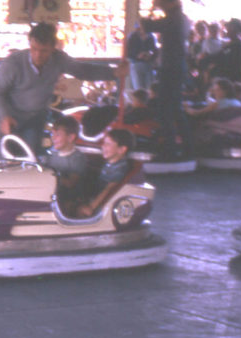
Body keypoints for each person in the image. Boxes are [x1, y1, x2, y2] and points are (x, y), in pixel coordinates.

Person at [0, 21, 126, 154]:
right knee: (7, 159)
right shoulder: (12, 63)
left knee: (30, 159)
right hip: (12, 116)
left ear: (53, 48)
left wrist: (113, 73)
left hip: (36, 116)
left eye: (44, 51)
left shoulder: (59, 59)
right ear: (29, 44)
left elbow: (82, 70)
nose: (38, 55)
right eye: (34, 49)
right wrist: (5, 115)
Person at [141, 0, 192, 158]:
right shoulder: (180, 18)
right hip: (175, 66)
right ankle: (186, 146)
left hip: (171, 68)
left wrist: (150, 10)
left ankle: (170, 148)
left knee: (165, 109)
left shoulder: (173, 18)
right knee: (175, 108)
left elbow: (146, 25)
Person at [76, 129, 135, 219]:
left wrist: (91, 207)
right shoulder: (111, 163)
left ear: (121, 149)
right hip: (96, 196)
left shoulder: (120, 168)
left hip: (101, 204)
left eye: (108, 144)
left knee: (77, 209)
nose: (103, 146)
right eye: (103, 143)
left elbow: (109, 189)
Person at [40, 115, 88, 212]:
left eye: (57, 135)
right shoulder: (51, 154)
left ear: (70, 137)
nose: (53, 138)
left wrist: (49, 176)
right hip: (51, 193)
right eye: (52, 134)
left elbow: (70, 183)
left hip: (69, 198)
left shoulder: (78, 158)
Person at [126, 21, 157, 91]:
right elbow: (128, 52)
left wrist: (150, 55)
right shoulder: (132, 37)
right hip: (136, 64)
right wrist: (137, 55)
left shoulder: (151, 37)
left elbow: (155, 50)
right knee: (139, 88)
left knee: (150, 88)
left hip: (148, 65)